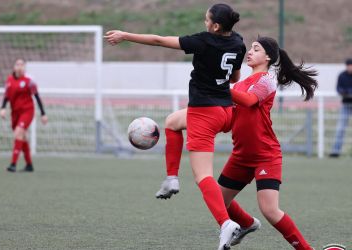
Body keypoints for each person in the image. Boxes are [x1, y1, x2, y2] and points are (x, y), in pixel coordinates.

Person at [105, 3, 246, 249]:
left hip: (205, 112)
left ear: (215, 26)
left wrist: (126, 35)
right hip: (226, 111)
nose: (204, 23)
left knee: (204, 177)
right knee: (172, 122)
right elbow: (235, 78)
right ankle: (171, 178)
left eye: (206, 20)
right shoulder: (238, 42)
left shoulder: (203, 41)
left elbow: (159, 40)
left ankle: (226, 223)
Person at [217, 36, 317, 249]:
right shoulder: (241, 83)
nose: (250, 52)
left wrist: (222, 88)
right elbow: (230, 113)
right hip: (240, 155)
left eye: (256, 49)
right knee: (218, 201)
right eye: (250, 49)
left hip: (265, 155)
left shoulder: (266, 81)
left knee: (270, 210)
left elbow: (249, 101)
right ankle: (246, 224)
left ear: (268, 56)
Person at [0, 58, 48, 172]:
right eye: (18, 64)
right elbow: (7, 95)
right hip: (15, 112)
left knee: (18, 133)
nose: (20, 67)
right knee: (22, 137)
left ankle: (13, 164)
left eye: (22, 65)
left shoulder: (29, 81)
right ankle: (29, 165)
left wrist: (43, 114)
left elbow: (37, 96)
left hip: (27, 111)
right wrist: (3, 108)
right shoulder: (9, 80)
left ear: (24, 68)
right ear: (14, 67)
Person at [329, 58, 352, 157]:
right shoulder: (342, 76)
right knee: (340, 128)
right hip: (346, 104)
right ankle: (335, 151)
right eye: (348, 65)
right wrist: (345, 92)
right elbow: (338, 89)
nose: (350, 67)